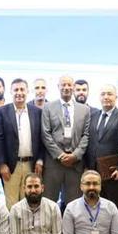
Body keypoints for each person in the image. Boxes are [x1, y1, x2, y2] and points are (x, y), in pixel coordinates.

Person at [41, 75, 91, 209]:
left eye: (69, 85)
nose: (66, 87)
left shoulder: (85, 110)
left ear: (73, 87)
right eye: (63, 85)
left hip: (75, 164)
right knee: (49, 204)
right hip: (54, 163)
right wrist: (60, 155)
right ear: (58, 87)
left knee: (74, 205)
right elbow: (45, 134)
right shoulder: (48, 107)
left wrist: (75, 155)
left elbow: (86, 135)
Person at [0, 79, 44, 209]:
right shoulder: (2, 111)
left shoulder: (37, 112)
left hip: (31, 165)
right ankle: (13, 224)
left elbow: (41, 139)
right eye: (16, 90)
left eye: (22, 89)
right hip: (11, 166)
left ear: (27, 91)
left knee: (28, 203)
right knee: (12, 204)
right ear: (11, 92)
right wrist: (2, 164)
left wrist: (40, 160)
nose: (19, 93)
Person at [86, 84, 118, 216]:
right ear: (99, 97)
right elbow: (90, 142)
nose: (106, 97)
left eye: (110, 94)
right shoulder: (93, 115)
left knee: (115, 209)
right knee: (95, 208)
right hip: (94, 172)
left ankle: (116, 231)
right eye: (103, 94)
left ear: (116, 97)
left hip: (114, 172)